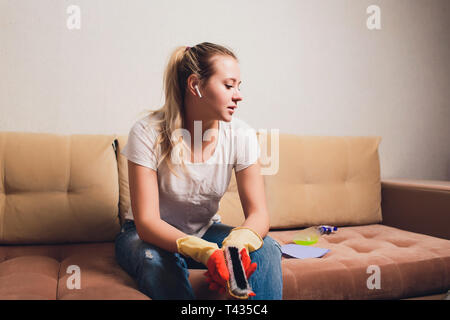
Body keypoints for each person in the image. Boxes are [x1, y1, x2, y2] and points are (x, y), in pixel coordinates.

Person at [115, 42, 283, 300]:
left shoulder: (242, 135)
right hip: (144, 237)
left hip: (204, 231)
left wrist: (238, 243)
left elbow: (259, 214)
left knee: (268, 248)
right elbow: (147, 222)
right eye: (228, 86)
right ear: (195, 85)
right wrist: (204, 251)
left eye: (239, 86)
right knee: (155, 261)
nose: (238, 95)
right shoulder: (147, 133)